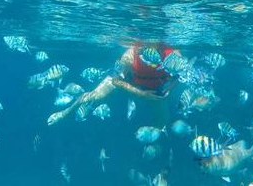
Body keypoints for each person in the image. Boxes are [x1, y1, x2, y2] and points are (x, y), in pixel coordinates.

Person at [47, 43, 181, 125]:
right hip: (129, 81)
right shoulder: (130, 55)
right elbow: (116, 80)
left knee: (164, 120)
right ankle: (64, 112)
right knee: (95, 96)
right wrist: (140, 93)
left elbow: (179, 75)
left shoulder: (173, 55)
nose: (147, 47)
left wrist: (169, 88)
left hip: (156, 90)